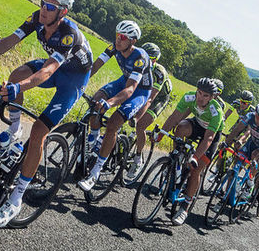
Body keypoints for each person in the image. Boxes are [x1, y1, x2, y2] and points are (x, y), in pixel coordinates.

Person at [0, 0, 92, 228]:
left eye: (50, 6)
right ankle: (15, 130)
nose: (43, 9)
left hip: (72, 80)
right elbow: (9, 41)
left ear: (63, 12)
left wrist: (21, 88)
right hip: (54, 68)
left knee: (39, 130)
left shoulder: (69, 34)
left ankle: (15, 200)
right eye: (41, 2)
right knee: (16, 74)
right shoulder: (37, 19)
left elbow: (49, 70)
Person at [77, 20, 150, 192]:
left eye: (123, 37)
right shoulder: (113, 48)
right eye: (117, 35)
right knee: (97, 99)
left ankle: (96, 172)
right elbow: (95, 66)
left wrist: (109, 103)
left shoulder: (140, 57)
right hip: (124, 81)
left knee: (113, 124)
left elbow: (131, 89)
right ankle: (93, 138)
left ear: (133, 41)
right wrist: (79, 82)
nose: (118, 39)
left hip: (139, 91)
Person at [154, 77, 224, 226]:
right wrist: (161, 133)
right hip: (197, 123)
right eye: (199, 93)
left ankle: (185, 207)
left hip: (211, 134)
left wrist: (195, 157)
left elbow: (208, 139)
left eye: (205, 96)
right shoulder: (189, 97)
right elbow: (175, 117)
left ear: (212, 97)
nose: (200, 97)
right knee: (180, 127)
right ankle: (176, 159)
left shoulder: (216, 111)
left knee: (195, 169)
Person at [125, 42, 172, 181]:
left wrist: (138, 115)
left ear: (155, 60)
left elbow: (150, 98)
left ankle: (138, 158)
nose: (146, 59)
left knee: (141, 125)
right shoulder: (137, 62)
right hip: (143, 90)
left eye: (150, 58)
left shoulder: (159, 73)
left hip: (158, 98)